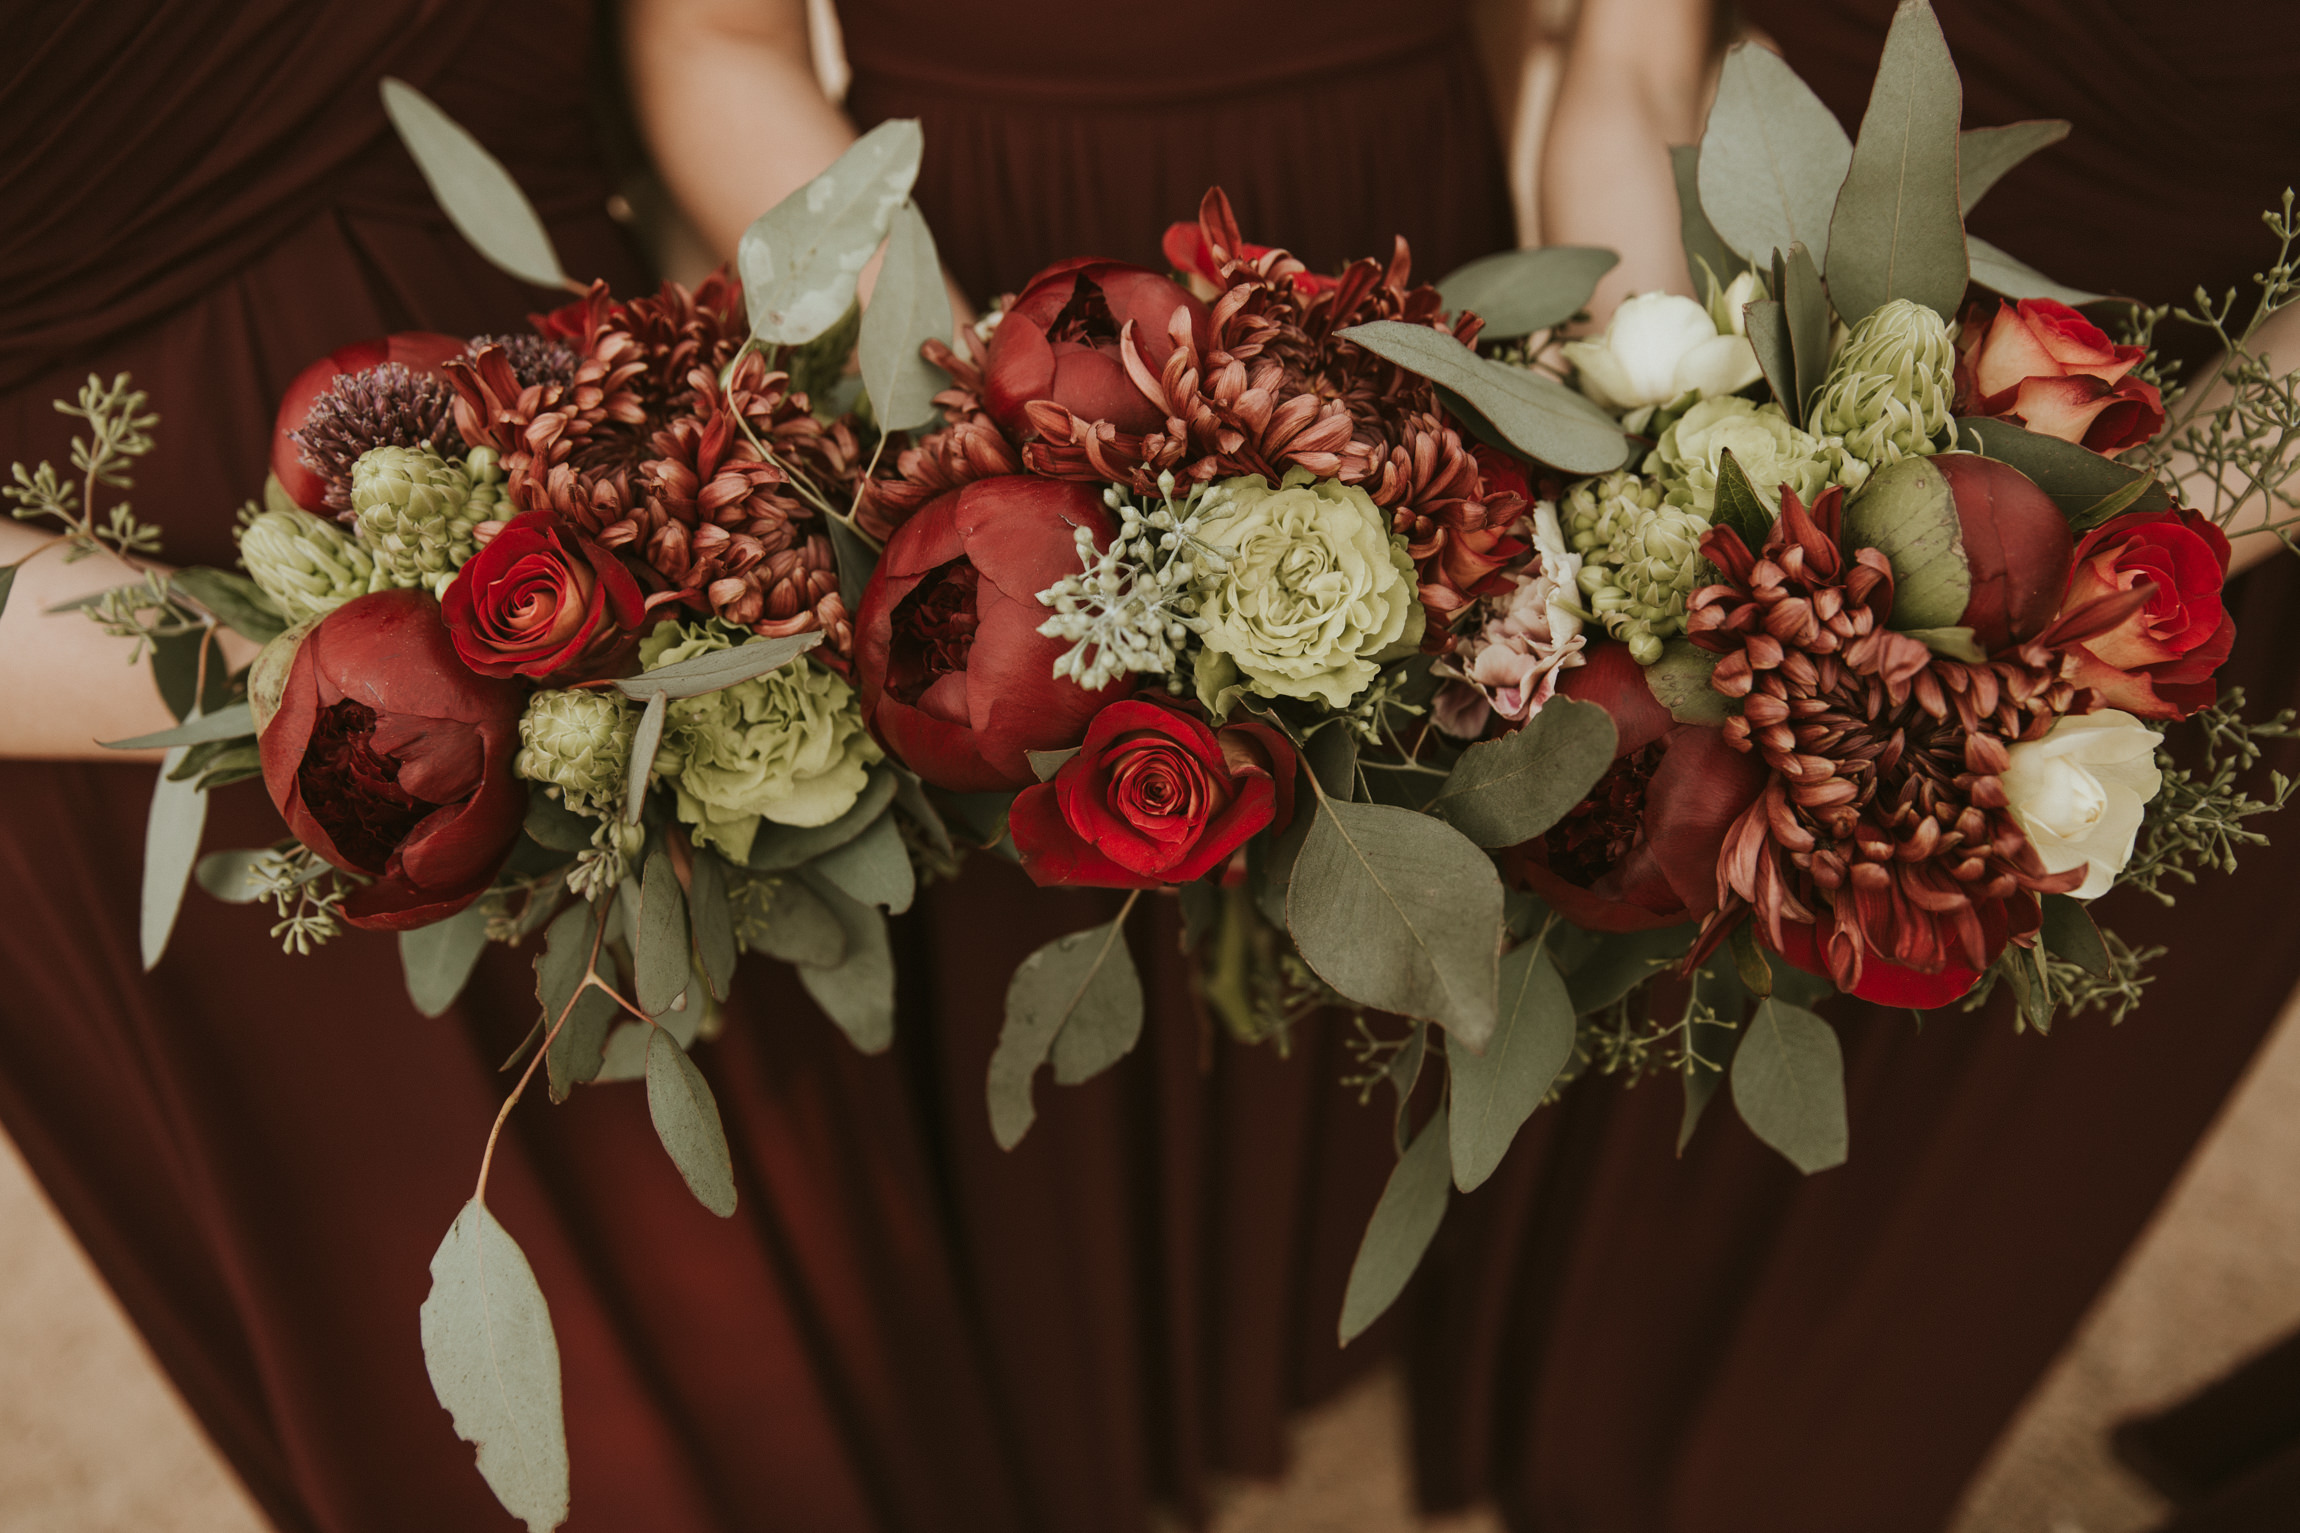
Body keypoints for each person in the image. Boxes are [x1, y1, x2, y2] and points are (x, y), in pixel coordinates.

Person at [2, 3, 1537, 1532]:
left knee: (876, 1309)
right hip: (210, 728)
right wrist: (289, 676)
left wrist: (796, 462)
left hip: (670, 583)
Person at [1389, 4, 2300, 1531]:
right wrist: (1670, 441)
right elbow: (1627, 58)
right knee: (1612, 1045)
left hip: (2175, 519)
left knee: (1901, 1266)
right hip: (1734, 331)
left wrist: (2060, 607)